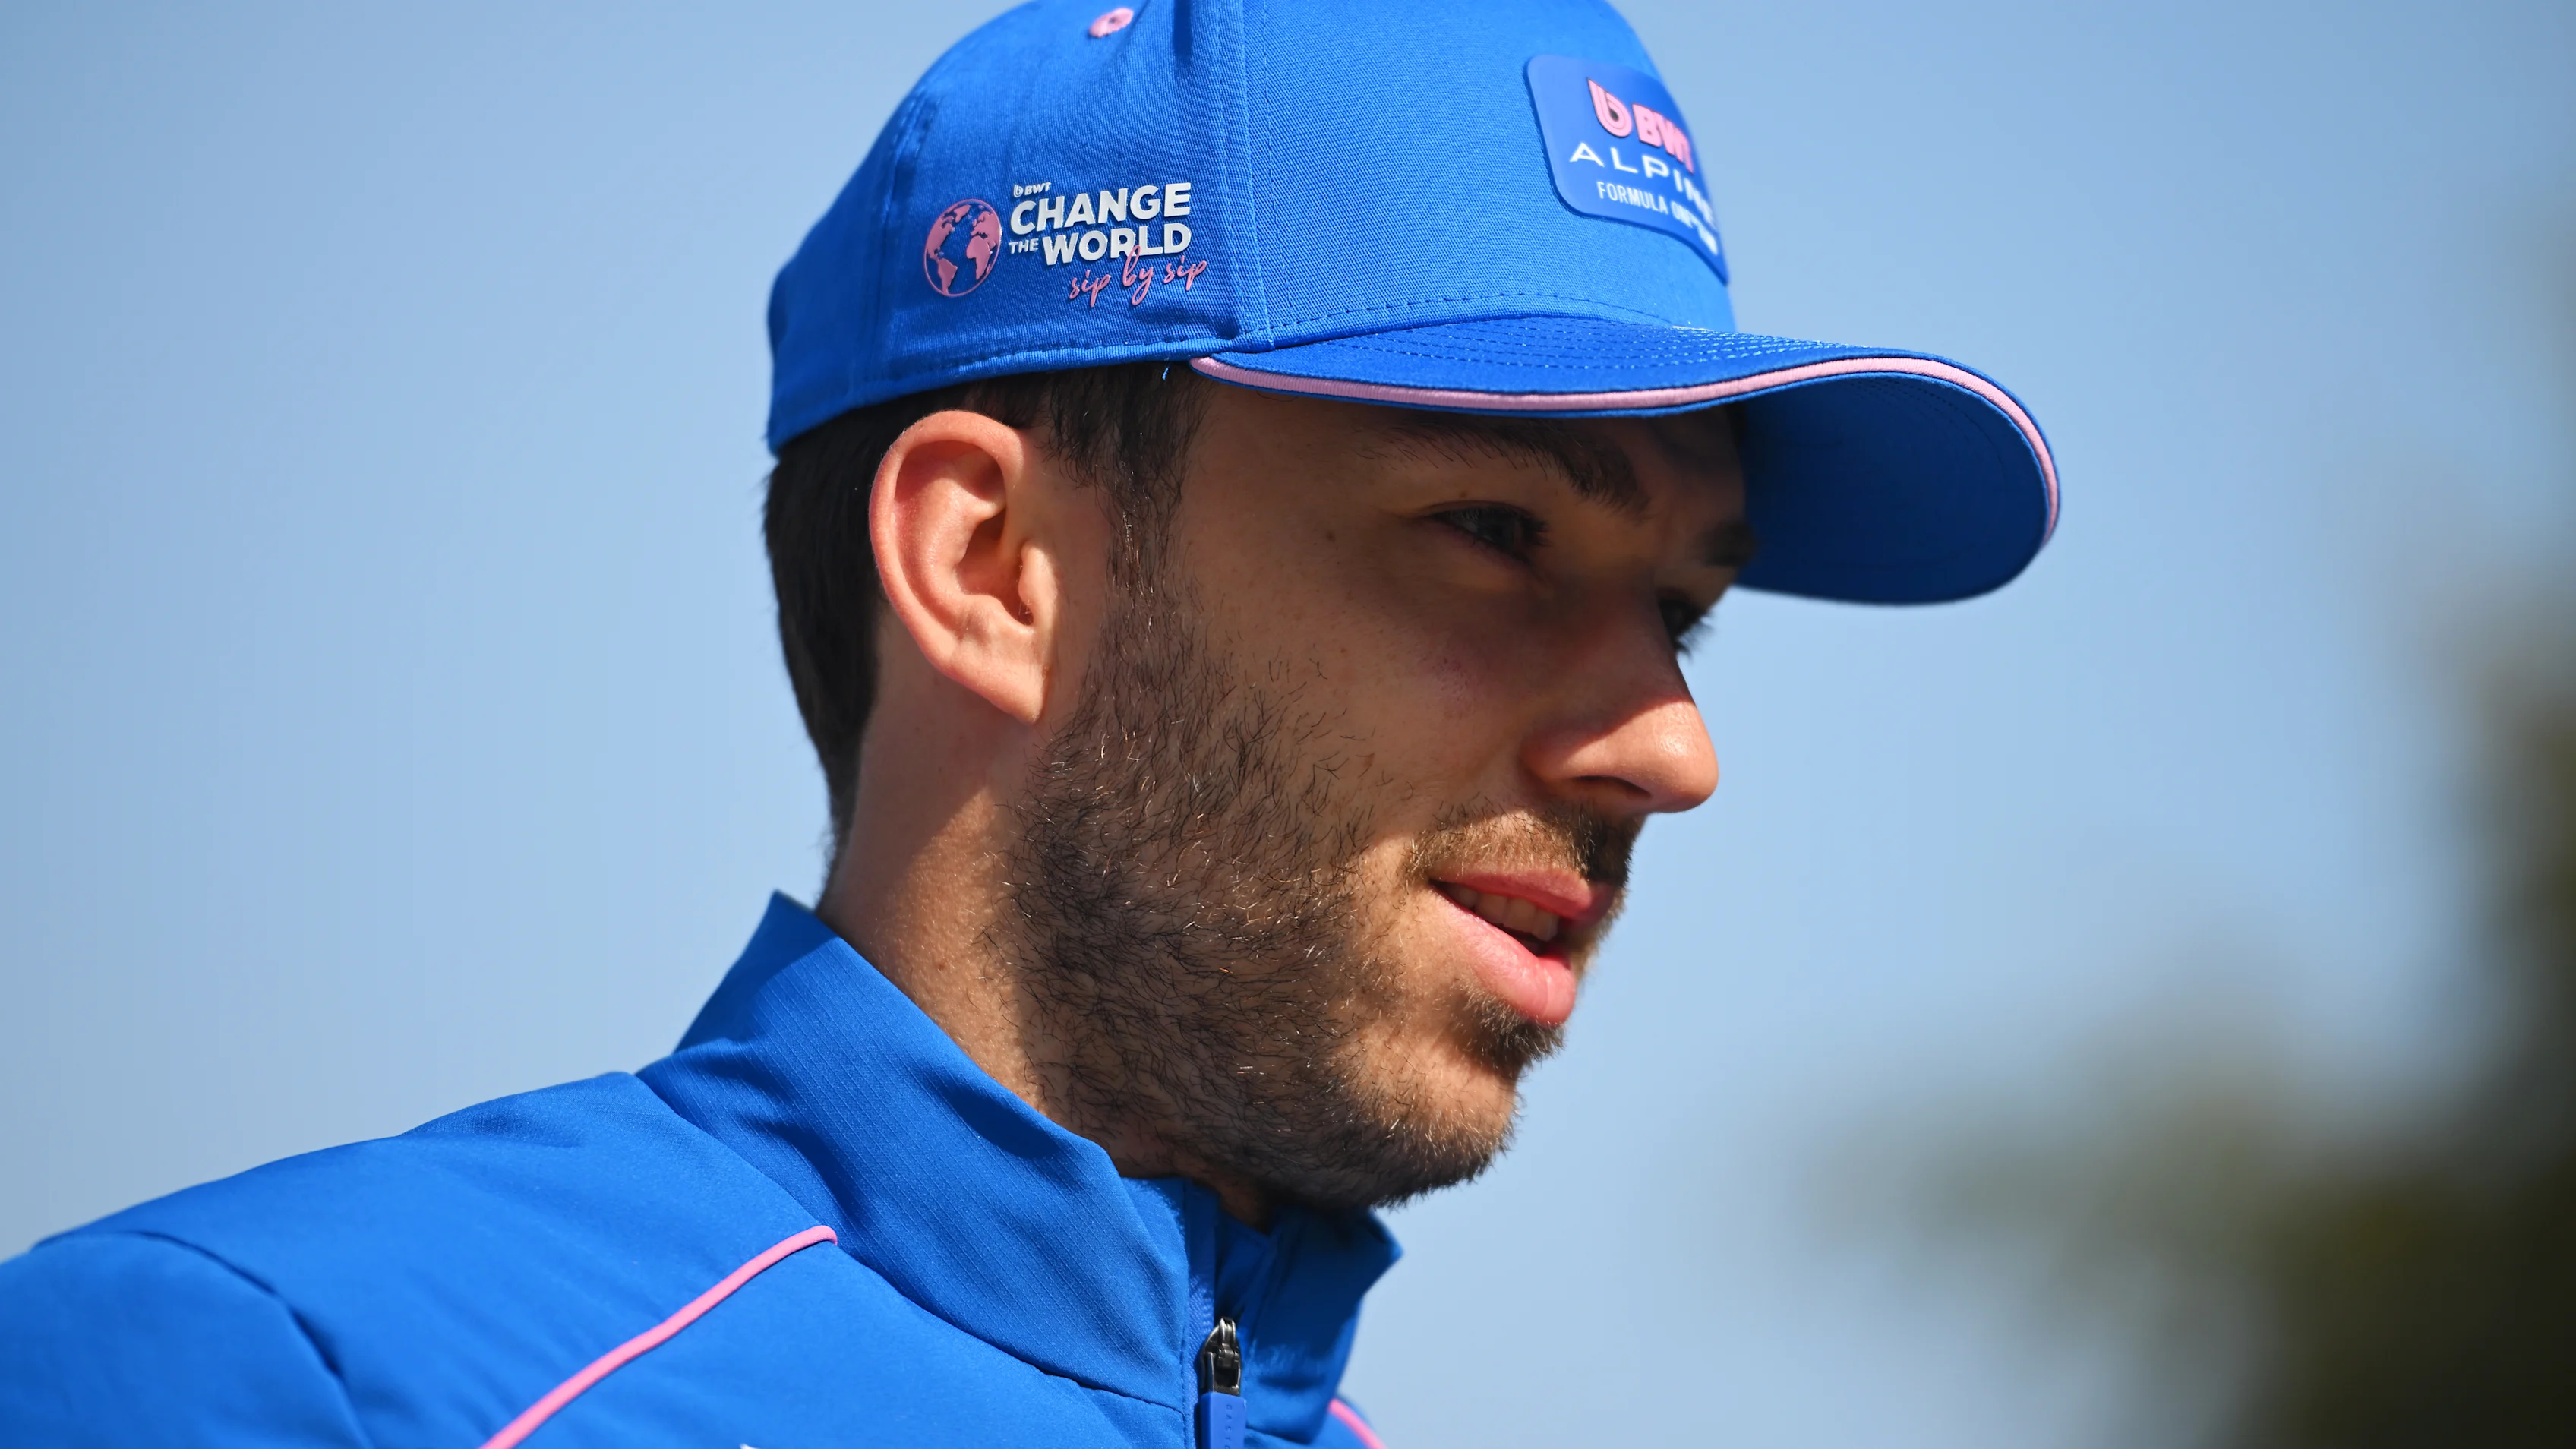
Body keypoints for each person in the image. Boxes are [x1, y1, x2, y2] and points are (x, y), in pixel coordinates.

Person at [0, 1, 2057, 1445]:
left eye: (1686, 609)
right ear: (991, 561)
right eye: (1499, 528)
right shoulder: (277, 1379)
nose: (1672, 747)